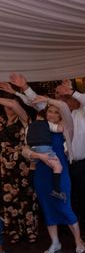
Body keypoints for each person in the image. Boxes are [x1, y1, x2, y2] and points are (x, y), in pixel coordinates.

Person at [21, 97, 85, 253]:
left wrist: (46, 98)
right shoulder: (38, 127)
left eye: (55, 113)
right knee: (47, 208)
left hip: (59, 173)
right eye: (49, 111)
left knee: (64, 205)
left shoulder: (66, 127)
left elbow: (63, 106)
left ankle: (79, 241)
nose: (51, 114)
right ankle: (55, 242)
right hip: (42, 173)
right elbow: (25, 150)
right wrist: (38, 156)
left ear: (61, 116)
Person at [0, 93, 39, 244]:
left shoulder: (24, 120)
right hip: (4, 165)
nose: (9, 108)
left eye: (11, 105)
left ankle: (30, 230)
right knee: (8, 199)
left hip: (22, 164)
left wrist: (12, 101)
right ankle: (14, 230)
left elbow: (14, 104)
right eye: (6, 105)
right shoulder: (1, 121)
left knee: (26, 197)